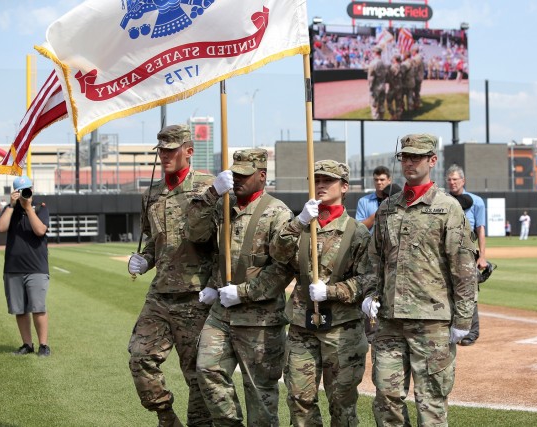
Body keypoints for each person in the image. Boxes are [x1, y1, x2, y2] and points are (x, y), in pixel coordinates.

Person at [366, 134, 477, 427]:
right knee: (386, 398)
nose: (410, 162)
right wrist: (369, 295)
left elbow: (463, 267)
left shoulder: (448, 208)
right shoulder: (388, 208)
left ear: (432, 161)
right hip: (390, 321)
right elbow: (374, 259)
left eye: (417, 157)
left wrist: (463, 319)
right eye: (405, 157)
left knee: (431, 403)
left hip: (431, 323)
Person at [188, 148, 294, 426]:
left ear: (262, 175)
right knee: (207, 370)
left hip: (260, 319)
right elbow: (198, 236)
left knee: (260, 394)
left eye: (245, 175)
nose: (238, 180)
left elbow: (282, 269)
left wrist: (244, 293)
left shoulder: (277, 213)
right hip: (222, 313)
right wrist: (212, 194)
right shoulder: (224, 206)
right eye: (235, 174)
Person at [270, 160, 372, 426]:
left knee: (342, 403)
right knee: (299, 399)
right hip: (302, 326)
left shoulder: (356, 232)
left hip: (342, 329)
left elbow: (368, 280)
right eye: (316, 181)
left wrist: (332, 291)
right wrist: (299, 222)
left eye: (328, 181)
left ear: (345, 187)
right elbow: (278, 254)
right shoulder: (303, 227)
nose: (321, 185)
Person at [126, 124, 215, 427]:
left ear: (188, 151)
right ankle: (166, 416)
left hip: (196, 296)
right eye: (161, 150)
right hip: (160, 295)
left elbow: (226, 242)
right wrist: (144, 259)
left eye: (171, 149)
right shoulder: (151, 194)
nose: (164, 155)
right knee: (140, 357)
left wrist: (216, 286)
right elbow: (154, 240)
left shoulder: (208, 187)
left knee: (197, 374)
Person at [0, 175, 51, 357]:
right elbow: (1, 228)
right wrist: (11, 206)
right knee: (19, 310)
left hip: (36, 267)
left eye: (26, 190)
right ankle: (27, 344)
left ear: (32, 189)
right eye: (20, 191)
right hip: (13, 268)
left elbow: (40, 230)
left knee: (38, 308)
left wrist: (28, 209)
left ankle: (43, 345)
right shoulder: (10, 210)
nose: (24, 194)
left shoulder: (41, 208)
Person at [446, 164, 486, 346]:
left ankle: (471, 333)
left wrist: (482, 256)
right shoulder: (444, 200)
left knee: (469, 292)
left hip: (468, 252)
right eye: (449, 179)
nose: (452, 182)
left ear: (463, 181)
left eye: (455, 179)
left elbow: (480, 229)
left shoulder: (476, 201)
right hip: (447, 252)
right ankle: (450, 328)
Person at [355, 165, 392, 232]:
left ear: (389, 180)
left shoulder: (396, 200)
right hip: (370, 241)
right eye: (376, 180)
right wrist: (380, 212)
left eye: (382, 180)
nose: (379, 182)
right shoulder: (363, 201)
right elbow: (359, 228)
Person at [367, 46, 388, 120]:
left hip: (375, 88)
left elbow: (371, 78)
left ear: (375, 53)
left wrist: (370, 88)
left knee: (374, 106)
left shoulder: (373, 63)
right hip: (382, 86)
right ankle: (381, 119)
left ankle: (376, 121)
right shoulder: (383, 62)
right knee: (381, 105)